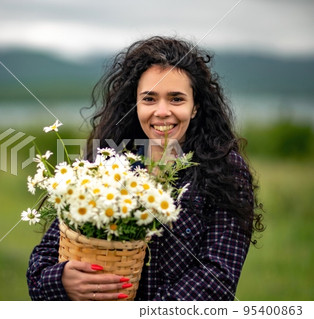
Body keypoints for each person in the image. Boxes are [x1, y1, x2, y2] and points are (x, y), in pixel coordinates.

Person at [26, 35, 264, 301]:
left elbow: (218, 280)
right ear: (135, 104)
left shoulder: (225, 171)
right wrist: (61, 280)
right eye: (149, 99)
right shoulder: (108, 165)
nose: (162, 111)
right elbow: (41, 266)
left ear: (196, 106)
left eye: (176, 99)